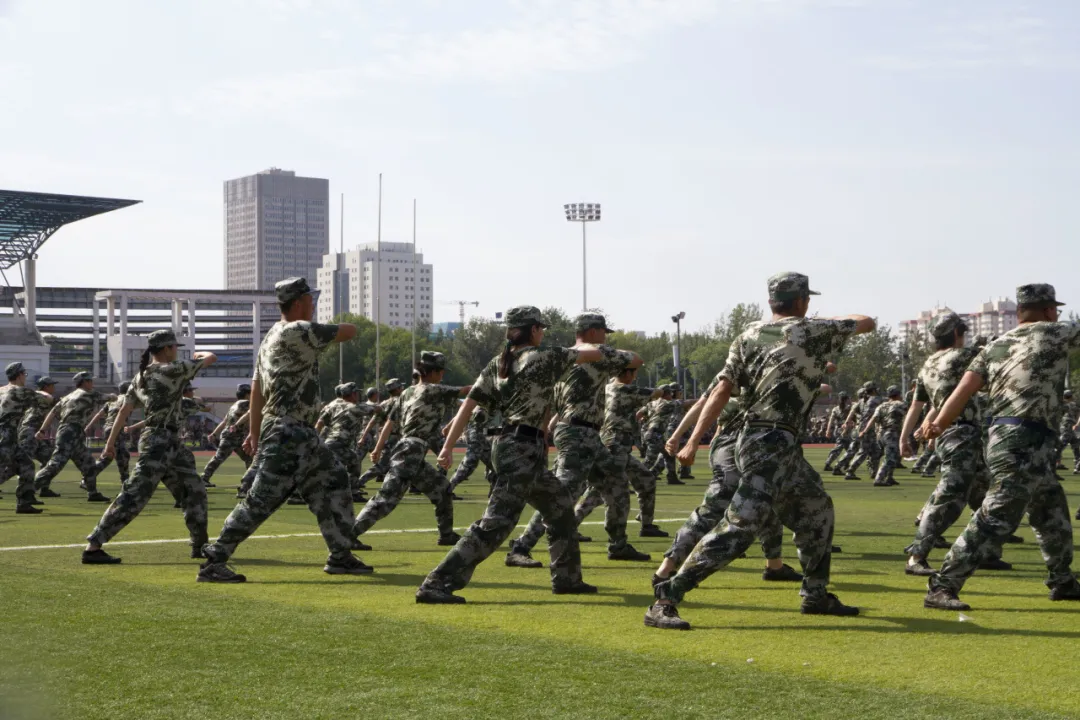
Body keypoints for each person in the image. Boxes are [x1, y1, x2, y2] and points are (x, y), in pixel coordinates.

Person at [645, 272, 874, 630]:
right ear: (802, 301)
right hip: (769, 442)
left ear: (770, 303)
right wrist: (820, 322)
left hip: (766, 442)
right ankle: (666, 597)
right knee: (739, 526)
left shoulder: (748, 335)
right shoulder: (811, 330)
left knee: (818, 510)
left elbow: (720, 391)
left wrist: (693, 440)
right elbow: (867, 322)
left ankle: (815, 595)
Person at [415, 305, 612, 604]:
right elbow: (592, 354)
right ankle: (437, 581)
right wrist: (608, 351)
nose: (544, 333)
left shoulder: (498, 363)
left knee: (560, 508)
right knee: (497, 523)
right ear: (533, 330)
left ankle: (568, 579)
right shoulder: (545, 356)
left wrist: (447, 446)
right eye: (541, 328)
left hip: (515, 447)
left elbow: (469, 404)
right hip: (520, 449)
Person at [199, 277, 370, 582]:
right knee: (261, 499)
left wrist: (254, 431)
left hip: (298, 431)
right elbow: (351, 331)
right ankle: (214, 558)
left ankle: (341, 554)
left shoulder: (270, 338)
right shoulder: (296, 330)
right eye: (309, 300)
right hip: (289, 431)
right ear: (298, 303)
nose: (313, 305)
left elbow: (256, 389)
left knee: (334, 480)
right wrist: (257, 431)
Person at [922, 284, 1080, 610]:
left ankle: (1063, 581)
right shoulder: (1057, 333)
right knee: (996, 516)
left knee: (1051, 511)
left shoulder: (995, 346)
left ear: (1020, 311)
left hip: (1004, 436)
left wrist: (939, 423)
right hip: (1024, 439)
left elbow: (964, 389)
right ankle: (942, 585)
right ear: (1049, 310)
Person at [504, 313, 650, 568]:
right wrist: (607, 350)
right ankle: (521, 545)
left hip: (582, 433)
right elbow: (637, 359)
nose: (605, 337)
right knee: (561, 495)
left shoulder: (564, 356)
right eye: (603, 332)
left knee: (616, 485)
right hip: (578, 434)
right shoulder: (594, 353)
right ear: (593, 331)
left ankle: (618, 544)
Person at [653, 374, 805, 589]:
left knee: (767, 502)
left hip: (758, 448)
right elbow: (705, 403)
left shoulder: (775, 368)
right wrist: (683, 438)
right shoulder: (736, 372)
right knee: (715, 507)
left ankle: (775, 565)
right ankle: (665, 570)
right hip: (732, 446)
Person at [80, 331, 217, 564]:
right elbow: (211, 357)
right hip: (160, 441)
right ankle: (93, 546)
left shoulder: (140, 376)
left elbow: (124, 411)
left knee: (194, 490)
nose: (177, 351)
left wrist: (110, 444)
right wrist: (199, 354)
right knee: (135, 493)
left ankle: (200, 545)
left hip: (166, 440)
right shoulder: (171, 369)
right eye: (175, 347)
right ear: (165, 349)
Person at [900, 314, 993, 575]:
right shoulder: (964, 357)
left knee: (985, 493)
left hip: (950, 434)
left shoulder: (928, 364)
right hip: (961, 433)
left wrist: (904, 437)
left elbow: (918, 406)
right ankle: (916, 557)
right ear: (956, 334)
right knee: (950, 495)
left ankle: (985, 551)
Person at [352, 351, 469, 546]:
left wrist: (379, 448)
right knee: (386, 498)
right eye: (440, 371)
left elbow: (391, 421)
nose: (442, 376)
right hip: (410, 451)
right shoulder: (432, 390)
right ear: (432, 372)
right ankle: (348, 537)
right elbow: (467, 390)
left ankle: (447, 535)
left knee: (442, 490)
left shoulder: (407, 393)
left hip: (410, 450)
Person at [573, 368, 667, 538]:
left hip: (617, 444)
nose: (635, 377)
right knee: (599, 490)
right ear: (626, 374)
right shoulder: (624, 388)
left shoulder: (606, 387)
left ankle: (647, 525)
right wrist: (665, 391)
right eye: (633, 373)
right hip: (615, 444)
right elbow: (657, 393)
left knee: (647, 480)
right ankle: (571, 525)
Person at [34, 372, 113, 502]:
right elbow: (110, 398)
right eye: (90, 381)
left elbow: (52, 413)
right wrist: (116, 396)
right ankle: (29, 490)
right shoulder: (88, 394)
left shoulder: (67, 397)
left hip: (70, 432)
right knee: (56, 464)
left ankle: (92, 493)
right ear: (85, 382)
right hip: (70, 432)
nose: (92, 383)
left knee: (88, 464)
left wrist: (42, 430)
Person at [0, 363, 52, 513]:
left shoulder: (1, 390)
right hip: (7, 434)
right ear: (19, 375)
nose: (25, 378)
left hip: (9, 435)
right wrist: (42, 393)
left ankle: (24, 502)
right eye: (24, 374)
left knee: (26, 465)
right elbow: (47, 399)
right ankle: (24, 501)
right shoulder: (19, 391)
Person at [316, 382, 374, 503]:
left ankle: (340, 491)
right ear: (352, 394)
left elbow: (320, 423)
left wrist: (315, 439)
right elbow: (375, 409)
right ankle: (351, 491)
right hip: (339, 443)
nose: (358, 395)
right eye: (356, 393)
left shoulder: (331, 406)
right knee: (353, 462)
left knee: (335, 467)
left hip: (330, 442)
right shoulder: (354, 406)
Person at [200, 383, 254, 488]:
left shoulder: (233, 406)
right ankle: (204, 478)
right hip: (234, 436)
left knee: (249, 458)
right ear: (247, 394)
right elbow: (251, 413)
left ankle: (249, 481)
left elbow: (224, 421)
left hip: (234, 436)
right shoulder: (246, 403)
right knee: (220, 457)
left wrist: (214, 433)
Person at [356, 379, 405, 486]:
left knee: (409, 462)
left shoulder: (384, 404)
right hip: (396, 438)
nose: (402, 389)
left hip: (391, 437)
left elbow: (372, 422)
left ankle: (411, 485)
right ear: (397, 389)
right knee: (383, 465)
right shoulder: (403, 402)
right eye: (400, 387)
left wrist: (363, 436)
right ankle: (359, 481)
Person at [858, 385, 906, 487]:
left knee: (890, 455)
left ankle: (889, 477)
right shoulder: (900, 404)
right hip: (892, 433)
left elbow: (873, 419)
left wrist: (865, 430)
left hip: (881, 434)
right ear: (898, 395)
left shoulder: (881, 406)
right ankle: (879, 479)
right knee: (890, 458)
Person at [88, 381, 133, 485]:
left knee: (123, 456)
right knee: (109, 456)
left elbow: (98, 415)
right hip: (116, 429)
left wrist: (88, 426)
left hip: (108, 428)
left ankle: (126, 483)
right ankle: (87, 478)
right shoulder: (128, 399)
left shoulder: (111, 401)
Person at [447, 404, 498, 494]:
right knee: (469, 463)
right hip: (476, 434)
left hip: (480, 434)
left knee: (496, 465)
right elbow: (464, 413)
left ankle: (495, 491)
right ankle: (448, 489)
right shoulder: (483, 399)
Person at [842, 382, 883, 480]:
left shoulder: (861, 401)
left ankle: (874, 472)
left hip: (862, 427)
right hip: (867, 429)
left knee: (876, 451)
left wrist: (846, 422)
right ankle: (850, 471)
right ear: (873, 390)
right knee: (863, 452)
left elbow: (852, 412)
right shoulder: (876, 400)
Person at [19, 376, 56, 466]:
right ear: (46, 386)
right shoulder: (41, 395)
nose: (54, 387)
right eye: (52, 385)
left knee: (48, 457)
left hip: (37, 432)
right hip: (29, 431)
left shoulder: (40, 397)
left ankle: (41, 480)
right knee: (24, 462)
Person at [822, 391, 851, 472]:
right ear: (846, 399)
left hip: (837, 429)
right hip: (845, 430)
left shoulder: (835, 409)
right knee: (841, 448)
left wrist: (828, 431)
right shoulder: (848, 408)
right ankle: (828, 464)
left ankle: (846, 463)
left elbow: (831, 421)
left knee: (849, 448)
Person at [1056, 390, 1080, 473]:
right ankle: (1077, 467)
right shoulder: (1074, 404)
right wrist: (1077, 424)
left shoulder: (1065, 405)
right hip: (1072, 428)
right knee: (1075, 448)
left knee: (1060, 447)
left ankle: (1054, 463)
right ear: (1071, 396)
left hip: (1066, 427)